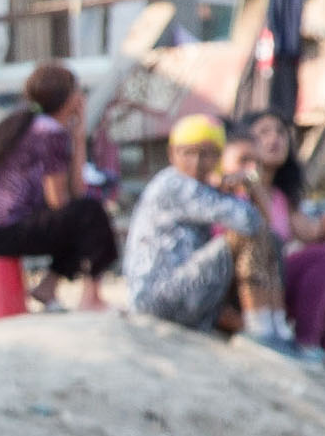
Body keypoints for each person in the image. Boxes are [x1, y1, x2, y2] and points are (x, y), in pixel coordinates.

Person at [124, 115, 297, 354]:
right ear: (172, 153)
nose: (197, 162)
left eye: (207, 154)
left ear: (218, 157)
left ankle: (276, 327)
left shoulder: (201, 187)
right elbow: (250, 222)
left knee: (271, 241)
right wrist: (249, 184)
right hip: (158, 298)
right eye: (189, 153)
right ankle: (261, 329)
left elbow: (267, 227)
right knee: (243, 236)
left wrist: (245, 186)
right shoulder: (174, 184)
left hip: (182, 291)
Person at [0, 62, 118, 309]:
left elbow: (75, 193)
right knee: (90, 213)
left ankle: (47, 288)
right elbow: (58, 200)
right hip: (5, 232)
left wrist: (78, 137)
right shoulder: (49, 133)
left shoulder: (31, 124)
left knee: (82, 212)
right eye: (78, 91)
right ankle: (91, 297)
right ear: (69, 98)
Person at [232, 110, 325, 367]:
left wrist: (324, 228)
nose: (275, 138)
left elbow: (309, 231)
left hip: (273, 284)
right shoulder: (238, 185)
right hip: (246, 287)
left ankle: (324, 342)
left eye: (280, 132)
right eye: (264, 132)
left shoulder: (281, 198)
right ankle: (306, 341)